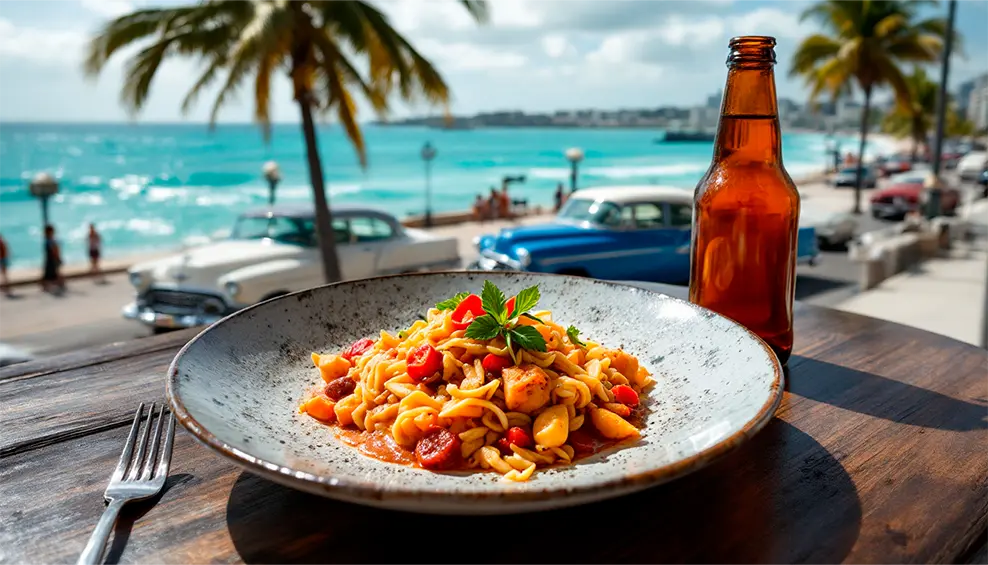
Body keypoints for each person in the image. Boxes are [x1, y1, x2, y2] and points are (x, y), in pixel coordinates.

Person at [41, 225, 65, 294]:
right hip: (51, 258)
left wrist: (57, 257)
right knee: (52, 272)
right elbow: (55, 249)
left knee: (52, 272)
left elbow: (54, 250)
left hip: (51, 258)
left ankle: (59, 283)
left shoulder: (50, 240)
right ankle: (59, 283)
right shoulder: (50, 240)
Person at [0, 232, 10, 297]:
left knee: (4, 274)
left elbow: (5, 250)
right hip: (3, 258)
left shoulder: (1, 242)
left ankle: (5, 286)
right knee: (4, 274)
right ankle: (5, 286)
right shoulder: (2, 241)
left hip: (2, 259)